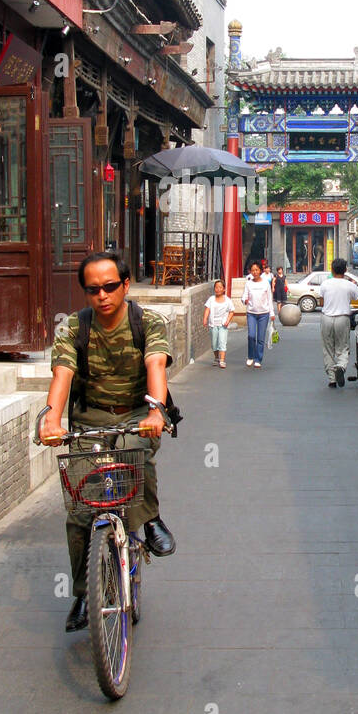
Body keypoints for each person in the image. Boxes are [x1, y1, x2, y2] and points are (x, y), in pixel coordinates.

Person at [40, 251, 176, 633]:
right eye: (93, 289)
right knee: (81, 508)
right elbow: (63, 373)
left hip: (137, 412)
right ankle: (85, 593)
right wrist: (50, 419)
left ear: (126, 285)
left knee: (139, 460)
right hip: (91, 416)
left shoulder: (146, 321)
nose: (102, 296)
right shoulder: (74, 328)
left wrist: (155, 413)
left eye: (110, 287)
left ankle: (149, 520)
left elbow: (156, 366)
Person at [319, 257, 358, 387]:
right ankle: (340, 366)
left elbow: (321, 302)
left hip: (326, 318)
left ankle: (332, 379)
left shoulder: (325, 284)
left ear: (332, 269)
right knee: (343, 347)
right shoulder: (349, 284)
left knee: (328, 349)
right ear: (345, 270)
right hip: (342, 318)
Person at [242, 261, 275, 368]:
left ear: (260, 270)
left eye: (256, 270)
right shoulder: (248, 283)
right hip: (251, 313)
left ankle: (258, 359)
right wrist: (244, 300)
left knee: (260, 338)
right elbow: (244, 296)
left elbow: (270, 299)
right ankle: (250, 356)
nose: (255, 272)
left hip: (263, 314)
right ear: (250, 271)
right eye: (252, 270)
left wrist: (272, 313)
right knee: (251, 335)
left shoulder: (265, 283)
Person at [203, 278, 234, 368]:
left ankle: (222, 360)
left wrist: (227, 321)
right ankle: (216, 357)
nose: (218, 289)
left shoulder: (227, 300)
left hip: (223, 325)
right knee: (214, 343)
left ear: (224, 289)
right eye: (216, 287)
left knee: (222, 342)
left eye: (220, 287)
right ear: (214, 289)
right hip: (213, 324)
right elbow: (207, 309)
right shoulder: (211, 299)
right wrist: (205, 319)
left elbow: (232, 311)